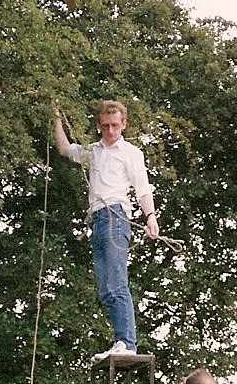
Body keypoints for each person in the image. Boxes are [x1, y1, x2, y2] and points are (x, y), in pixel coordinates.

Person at [54, 100, 159, 360]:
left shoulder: (130, 153)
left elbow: (143, 188)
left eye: (115, 125)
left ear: (123, 125)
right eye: (105, 126)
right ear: (99, 126)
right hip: (97, 220)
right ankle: (121, 342)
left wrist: (151, 217)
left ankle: (127, 342)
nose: (110, 131)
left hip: (116, 218)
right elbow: (65, 149)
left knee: (116, 283)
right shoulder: (93, 151)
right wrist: (56, 117)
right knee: (105, 289)